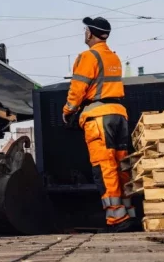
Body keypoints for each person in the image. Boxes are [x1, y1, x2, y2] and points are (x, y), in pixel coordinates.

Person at [62, 16, 138, 232]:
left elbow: (77, 90)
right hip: (119, 115)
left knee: (104, 167)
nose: (84, 33)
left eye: (85, 30)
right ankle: (128, 212)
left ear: (90, 34)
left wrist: (68, 111)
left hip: (98, 117)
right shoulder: (113, 58)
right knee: (122, 165)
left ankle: (116, 219)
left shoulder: (88, 56)